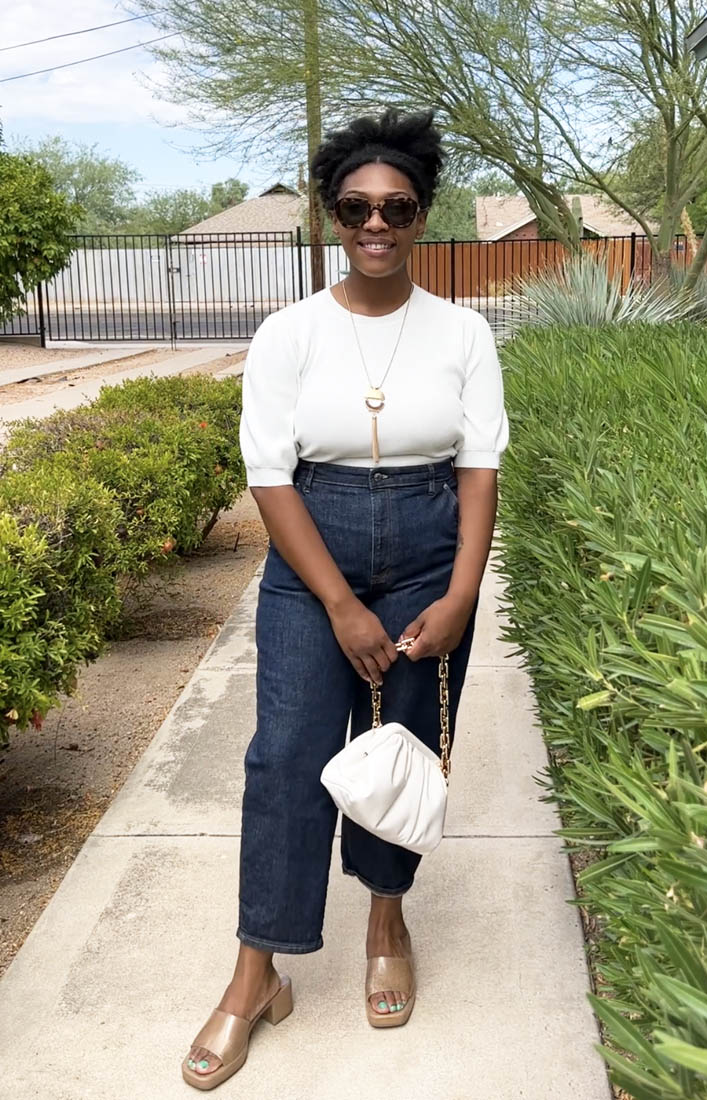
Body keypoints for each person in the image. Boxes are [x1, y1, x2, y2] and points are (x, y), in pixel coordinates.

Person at [182, 106, 510, 1090]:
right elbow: (268, 472)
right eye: (358, 206)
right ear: (332, 214)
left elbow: (481, 468)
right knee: (284, 751)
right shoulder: (290, 331)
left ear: (421, 215)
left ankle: (384, 913)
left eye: (397, 207)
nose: (377, 223)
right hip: (310, 550)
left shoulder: (462, 331)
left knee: (403, 745)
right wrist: (336, 601)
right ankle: (257, 971)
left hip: (425, 551)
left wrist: (459, 594)